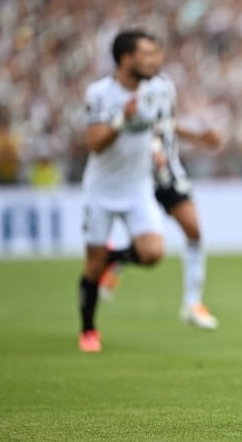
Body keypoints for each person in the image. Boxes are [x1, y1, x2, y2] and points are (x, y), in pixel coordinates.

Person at [100, 45, 221, 331]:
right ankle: (113, 260)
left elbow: (165, 124)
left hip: (168, 172)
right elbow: (131, 125)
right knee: (148, 248)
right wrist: (151, 148)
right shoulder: (121, 90)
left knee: (193, 230)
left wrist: (199, 137)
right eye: (146, 54)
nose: (154, 59)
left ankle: (193, 303)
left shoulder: (166, 86)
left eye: (156, 54)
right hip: (137, 174)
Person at [78, 29, 166, 352]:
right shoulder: (100, 93)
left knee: (153, 253)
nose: (152, 60)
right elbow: (93, 143)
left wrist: (156, 147)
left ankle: (113, 260)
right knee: (92, 263)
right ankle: (88, 330)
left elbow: (154, 125)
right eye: (145, 54)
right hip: (101, 190)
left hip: (138, 187)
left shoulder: (155, 90)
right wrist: (119, 121)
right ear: (126, 59)